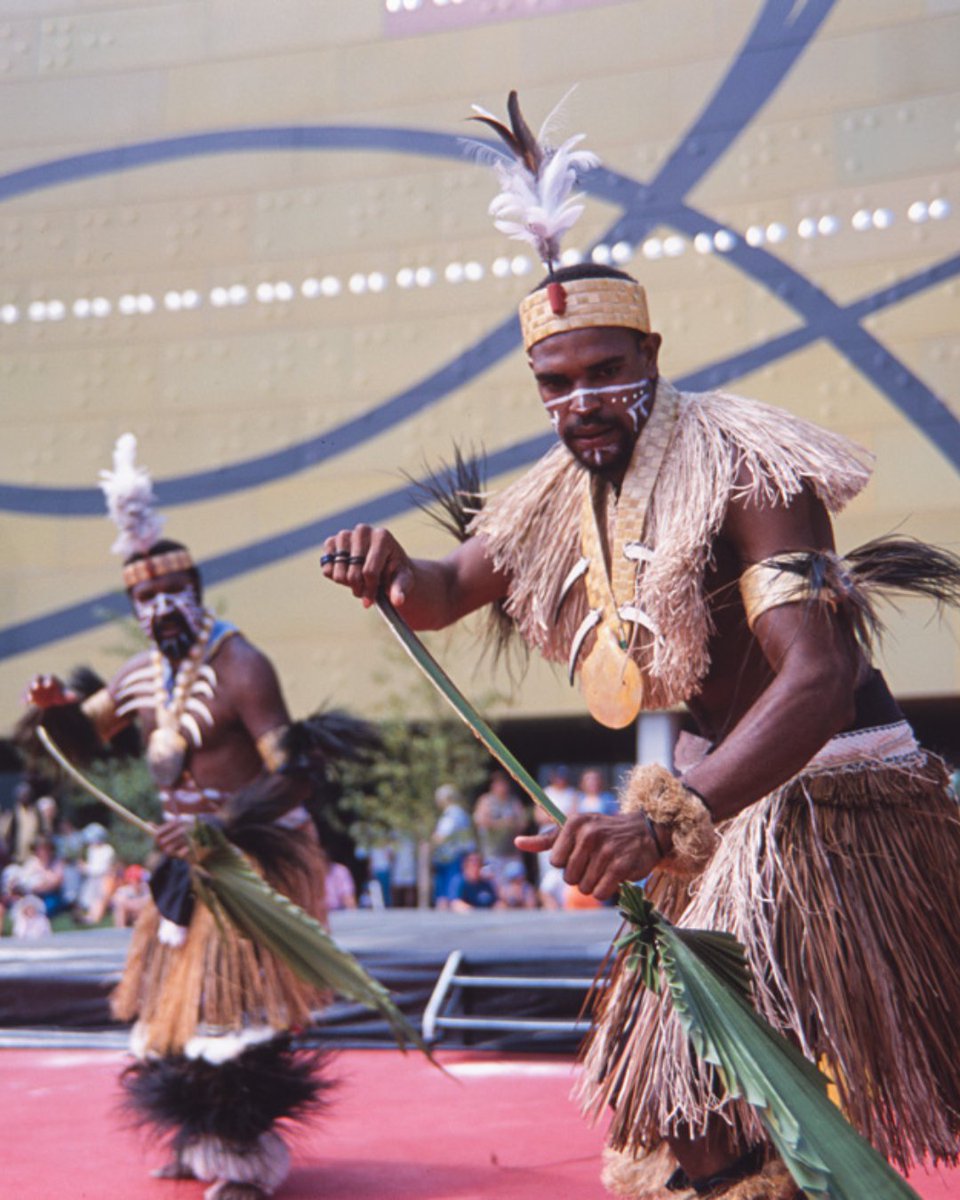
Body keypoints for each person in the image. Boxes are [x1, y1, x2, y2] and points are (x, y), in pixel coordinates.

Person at [321, 93, 960, 1200]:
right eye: (556, 384)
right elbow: (439, 592)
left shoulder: (751, 468)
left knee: (727, 1093)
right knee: (681, 1108)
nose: (584, 401)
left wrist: (662, 816)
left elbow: (815, 675)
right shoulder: (552, 497)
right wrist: (388, 568)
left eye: (606, 370)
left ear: (652, 353)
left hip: (827, 798)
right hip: (718, 813)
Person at [23, 434, 338, 1200]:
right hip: (185, 867)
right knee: (176, 1004)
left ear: (195, 589)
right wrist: (54, 713)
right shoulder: (138, 677)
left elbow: (294, 777)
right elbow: (80, 745)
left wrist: (222, 827)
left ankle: (245, 1155)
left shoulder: (242, 667)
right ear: (135, 608)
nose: (161, 608)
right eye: (146, 599)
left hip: (252, 862)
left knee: (236, 1008)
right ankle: (201, 1133)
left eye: (173, 593)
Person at [472, 770, 529, 885]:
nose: (503, 786)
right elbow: (479, 821)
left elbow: (524, 823)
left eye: (504, 783)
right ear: (493, 785)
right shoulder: (486, 801)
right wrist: (500, 824)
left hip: (511, 853)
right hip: (493, 853)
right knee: (495, 885)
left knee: (516, 884)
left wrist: (512, 824)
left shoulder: (513, 801)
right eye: (499, 783)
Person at [430, 783, 476, 908]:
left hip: (450, 857)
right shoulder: (460, 813)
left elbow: (443, 835)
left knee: (450, 892)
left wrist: (430, 843)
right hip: (456, 854)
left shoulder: (452, 813)